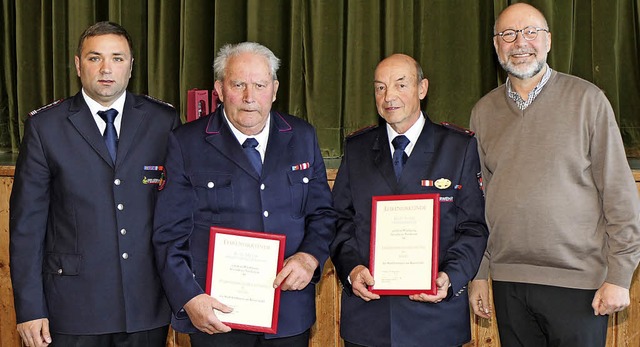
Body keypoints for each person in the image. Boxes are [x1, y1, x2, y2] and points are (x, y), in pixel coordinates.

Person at [468, 3, 640, 346]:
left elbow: (619, 193)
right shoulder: (483, 112)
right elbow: (479, 202)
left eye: (531, 32)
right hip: (508, 283)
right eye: (508, 34)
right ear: (496, 44)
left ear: (548, 41)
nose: (520, 42)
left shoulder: (588, 100)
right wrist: (480, 274)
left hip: (580, 284)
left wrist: (620, 275)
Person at [152, 41, 336, 347]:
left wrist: (309, 258)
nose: (250, 97)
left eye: (260, 85)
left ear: (274, 90)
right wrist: (189, 297)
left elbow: (323, 215)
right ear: (220, 90)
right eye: (238, 85)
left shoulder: (302, 136)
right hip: (217, 316)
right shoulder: (187, 143)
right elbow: (168, 234)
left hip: (288, 315)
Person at [9, 21, 180, 347]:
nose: (106, 69)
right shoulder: (46, 127)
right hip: (72, 309)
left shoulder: (163, 121)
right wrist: (29, 308)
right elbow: (27, 227)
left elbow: (177, 213)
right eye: (94, 58)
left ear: (131, 66)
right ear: (77, 65)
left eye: (117, 58)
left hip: (146, 306)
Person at [330, 53, 489, 347]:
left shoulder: (458, 147)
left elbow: (473, 227)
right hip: (369, 318)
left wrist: (450, 277)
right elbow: (340, 219)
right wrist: (352, 269)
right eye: (380, 87)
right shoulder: (357, 148)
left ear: (422, 88)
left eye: (401, 85)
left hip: (435, 319)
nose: (389, 96)